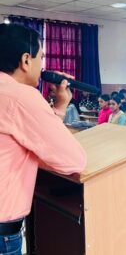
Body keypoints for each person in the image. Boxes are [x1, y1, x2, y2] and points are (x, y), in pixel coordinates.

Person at [0, 24, 86, 254]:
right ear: (26, 60)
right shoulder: (21, 96)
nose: (42, 66)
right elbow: (73, 160)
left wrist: (59, 107)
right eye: (42, 57)